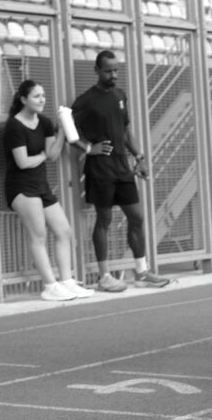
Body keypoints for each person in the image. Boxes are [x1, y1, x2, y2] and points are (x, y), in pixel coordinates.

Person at [70, 50, 171, 292]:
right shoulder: (86, 101)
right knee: (104, 219)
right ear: (97, 70)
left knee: (137, 217)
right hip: (100, 169)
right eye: (108, 71)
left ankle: (142, 273)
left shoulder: (119, 95)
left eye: (116, 70)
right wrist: (88, 148)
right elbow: (66, 128)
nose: (113, 75)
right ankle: (104, 277)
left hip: (122, 167)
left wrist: (139, 157)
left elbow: (125, 131)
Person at [4, 80, 94, 301]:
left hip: (41, 186)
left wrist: (62, 130)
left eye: (43, 96)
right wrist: (42, 156)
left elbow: (53, 154)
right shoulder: (14, 126)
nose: (42, 100)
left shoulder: (44, 122)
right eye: (36, 96)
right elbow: (23, 162)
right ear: (23, 99)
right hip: (21, 187)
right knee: (39, 235)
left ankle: (67, 282)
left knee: (64, 231)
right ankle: (50, 286)